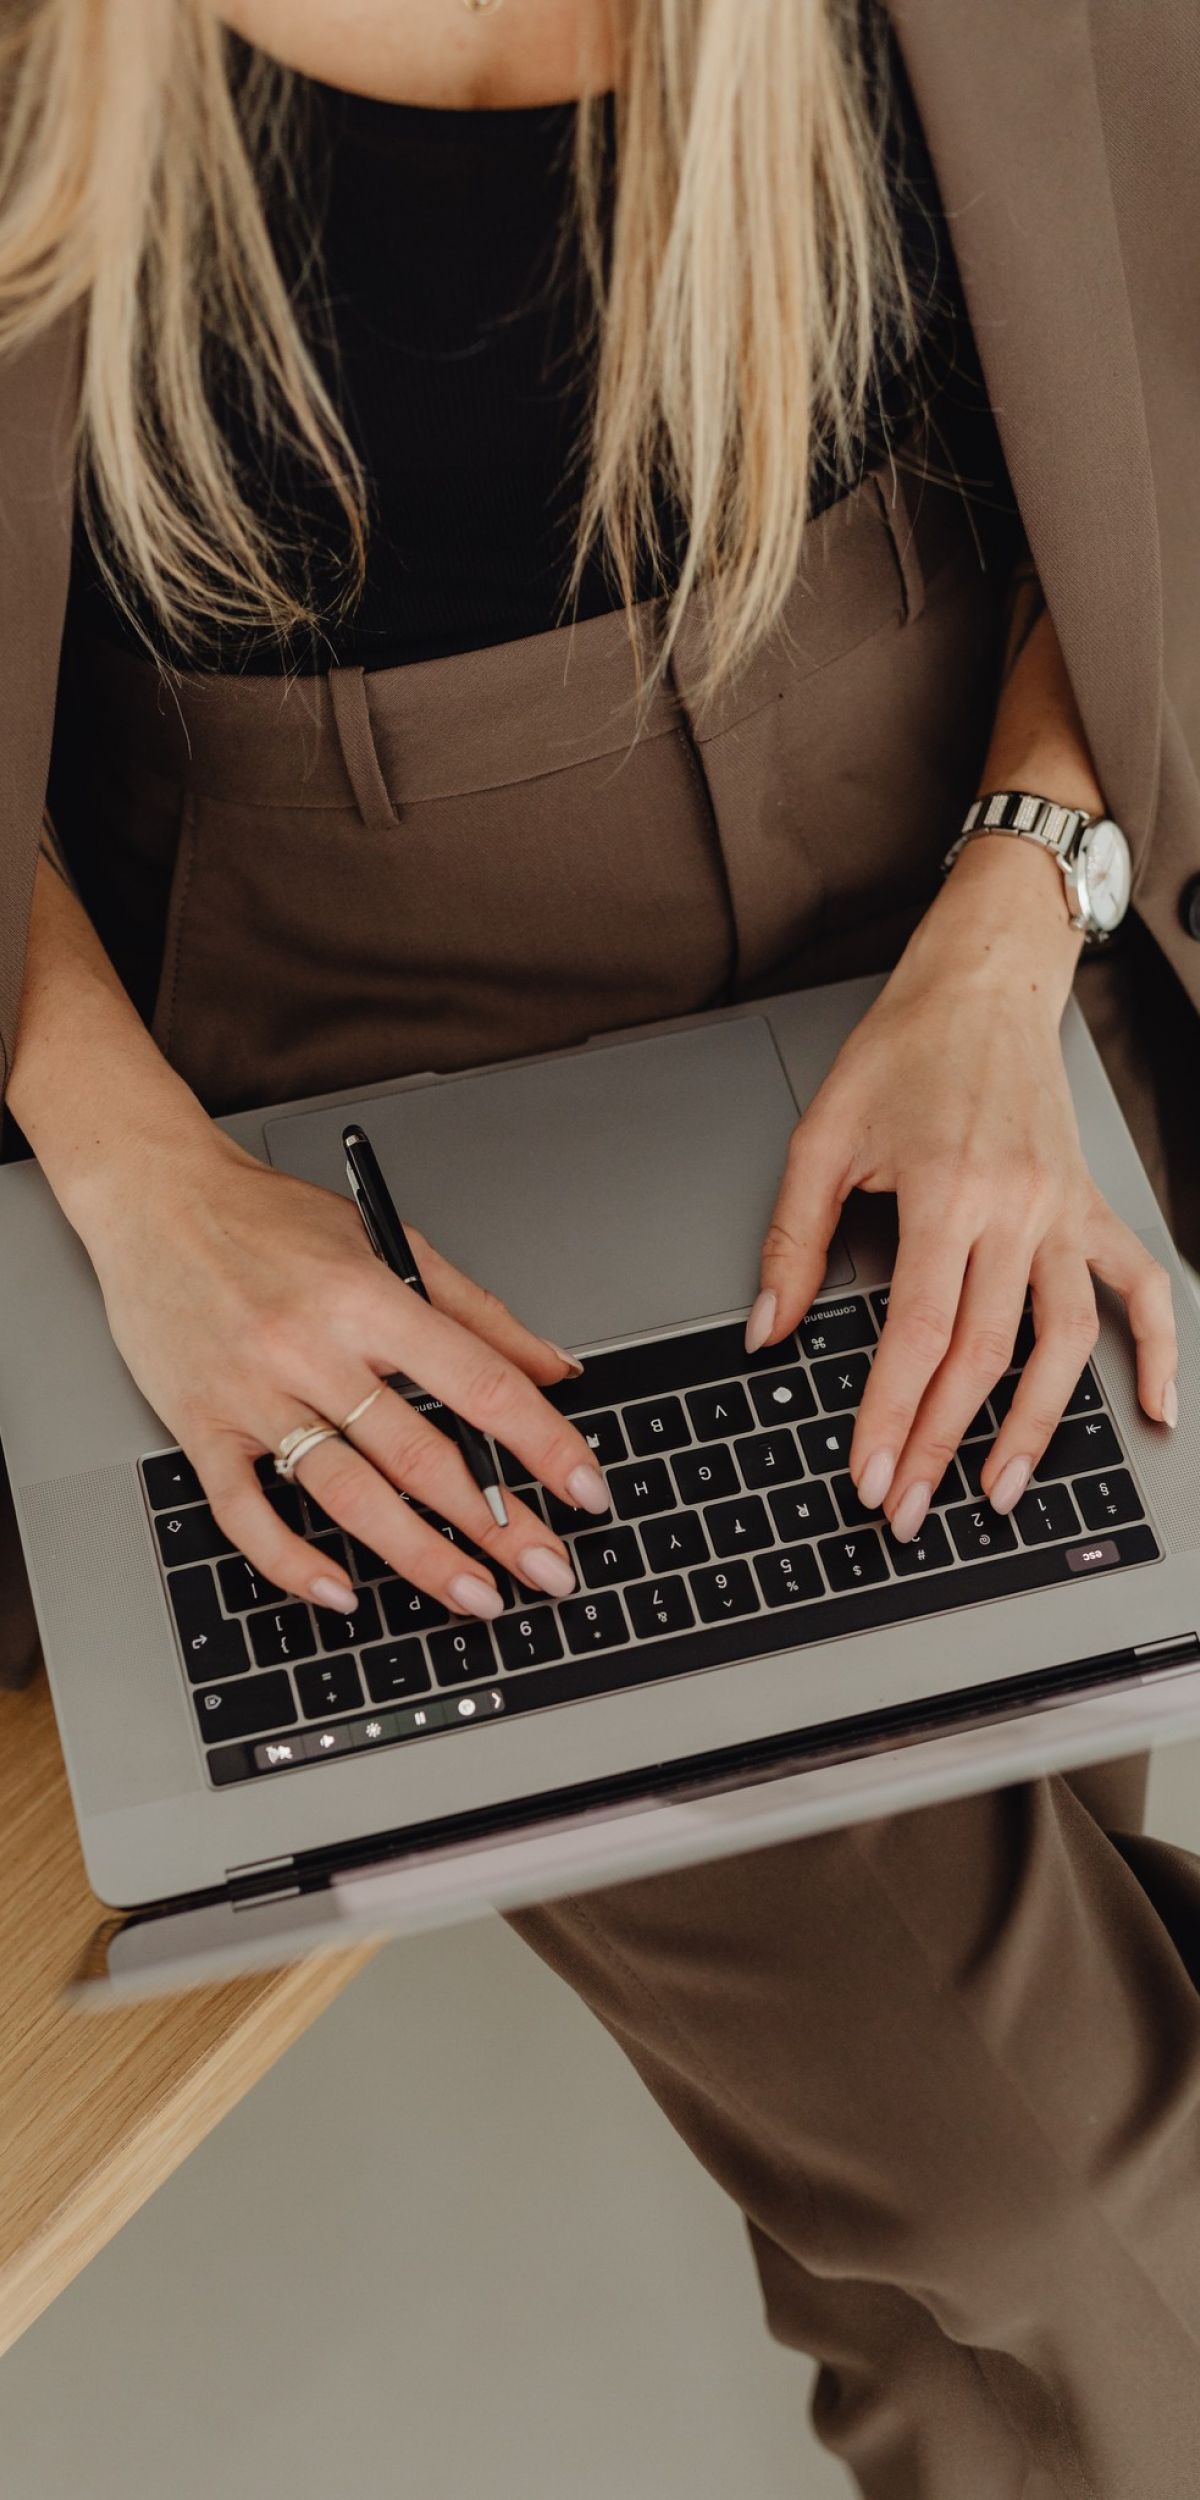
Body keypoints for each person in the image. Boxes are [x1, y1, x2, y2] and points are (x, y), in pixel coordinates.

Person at [1, 1, 1199, 2488]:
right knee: (1060, 2181)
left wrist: (1021, 909)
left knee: (982, 2263)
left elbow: (1166, 346)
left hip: (945, 904)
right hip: (347, 1091)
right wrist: (130, 1176)